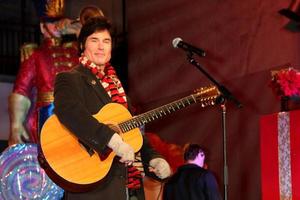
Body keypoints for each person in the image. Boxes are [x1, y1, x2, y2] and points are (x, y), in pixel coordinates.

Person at [53, 16, 171, 199]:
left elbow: (133, 130)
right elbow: (69, 112)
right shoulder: (69, 78)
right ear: (83, 45)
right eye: (94, 40)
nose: (101, 46)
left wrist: (154, 157)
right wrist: (111, 140)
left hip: (128, 184)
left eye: (106, 41)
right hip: (93, 184)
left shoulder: (118, 88)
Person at [8, 0, 79, 146]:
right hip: (48, 115)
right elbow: (21, 90)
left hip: (77, 113)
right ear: (42, 27)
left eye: (60, 21)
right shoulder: (36, 55)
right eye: (53, 23)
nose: (58, 26)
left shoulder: (74, 51)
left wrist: (79, 30)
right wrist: (16, 124)